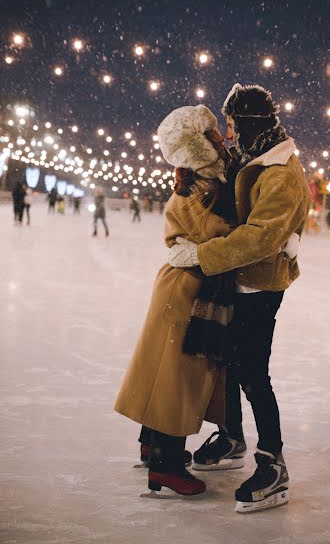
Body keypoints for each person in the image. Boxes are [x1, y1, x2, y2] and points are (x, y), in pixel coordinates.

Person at [168, 84, 311, 513]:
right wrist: (188, 181)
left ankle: (273, 462)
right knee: (228, 362)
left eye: (231, 126)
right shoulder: (254, 156)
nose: (228, 135)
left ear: (249, 125)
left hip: (261, 284)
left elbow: (261, 237)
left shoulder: (282, 171)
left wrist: (202, 254)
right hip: (237, 279)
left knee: (251, 371)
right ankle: (232, 436)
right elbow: (225, 183)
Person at [114, 105, 236, 497]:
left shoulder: (200, 183)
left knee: (163, 369)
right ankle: (165, 464)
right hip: (186, 290)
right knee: (177, 377)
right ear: (197, 146)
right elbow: (220, 235)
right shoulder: (201, 190)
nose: (223, 140)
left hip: (185, 286)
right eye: (213, 136)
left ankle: (153, 445)